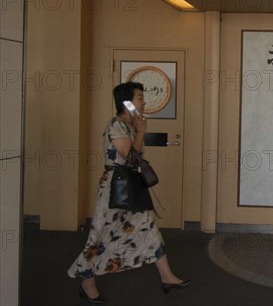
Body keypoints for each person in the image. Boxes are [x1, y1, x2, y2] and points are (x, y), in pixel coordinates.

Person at [67, 82, 190, 304]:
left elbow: (135, 153)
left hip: (130, 185)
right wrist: (142, 132)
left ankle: (167, 276)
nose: (143, 101)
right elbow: (129, 156)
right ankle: (87, 282)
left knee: (148, 226)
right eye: (139, 97)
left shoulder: (129, 126)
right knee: (101, 236)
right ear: (127, 102)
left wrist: (138, 130)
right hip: (116, 187)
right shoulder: (116, 125)